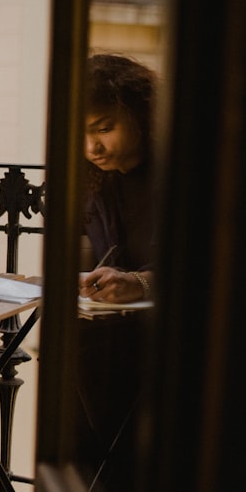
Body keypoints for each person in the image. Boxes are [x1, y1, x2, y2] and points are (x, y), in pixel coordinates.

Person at [77, 53, 157, 304]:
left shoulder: (179, 173)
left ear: (140, 117)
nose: (91, 148)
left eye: (103, 129)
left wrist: (141, 283)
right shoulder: (93, 181)